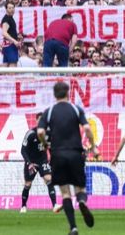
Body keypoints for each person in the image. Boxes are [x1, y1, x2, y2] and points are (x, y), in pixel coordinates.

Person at [37, 81, 97, 235]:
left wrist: (45, 144)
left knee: (65, 193)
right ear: (68, 93)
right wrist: (94, 147)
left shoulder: (49, 112)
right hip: (75, 153)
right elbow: (88, 128)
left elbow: (40, 132)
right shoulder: (75, 109)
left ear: (54, 94)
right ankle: (82, 202)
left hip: (57, 154)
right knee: (80, 189)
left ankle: (73, 227)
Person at [19, 113, 59, 213]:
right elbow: (23, 150)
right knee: (28, 184)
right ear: (36, 121)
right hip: (31, 161)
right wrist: (29, 163)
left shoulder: (49, 133)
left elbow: (50, 148)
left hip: (42, 160)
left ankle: (55, 205)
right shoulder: (30, 134)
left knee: (49, 179)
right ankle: (23, 206)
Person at [1, 2, 21, 67]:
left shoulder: (10, 18)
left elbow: (9, 32)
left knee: (6, 65)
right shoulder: (6, 19)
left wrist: (16, 36)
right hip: (10, 45)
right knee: (13, 64)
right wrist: (14, 41)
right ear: (6, 9)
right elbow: (4, 33)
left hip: (8, 45)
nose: (12, 9)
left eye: (13, 8)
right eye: (9, 8)